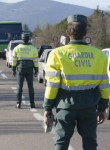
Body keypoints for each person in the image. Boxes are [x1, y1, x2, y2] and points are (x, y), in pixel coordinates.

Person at [43, 14, 110, 150]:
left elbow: (52, 85)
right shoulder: (100, 55)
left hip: (65, 107)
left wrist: (48, 108)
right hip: (89, 107)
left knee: (61, 143)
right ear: (85, 33)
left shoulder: (56, 54)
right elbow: (104, 84)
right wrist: (102, 108)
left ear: (67, 33)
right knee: (90, 143)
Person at [12, 32, 38, 109]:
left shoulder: (17, 48)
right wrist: (36, 70)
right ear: (29, 39)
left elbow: (14, 60)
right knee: (31, 87)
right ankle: (32, 104)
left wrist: (13, 69)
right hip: (30, 68)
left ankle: (18, 103)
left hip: (20, 68)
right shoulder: (33, 48)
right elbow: (35, 61)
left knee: (19, 86)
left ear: (22, 39)